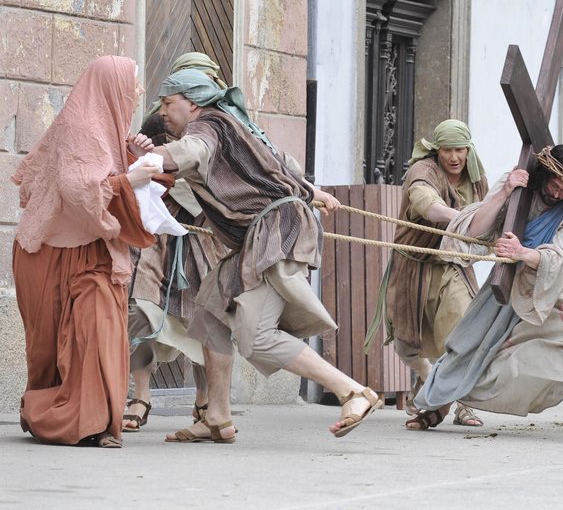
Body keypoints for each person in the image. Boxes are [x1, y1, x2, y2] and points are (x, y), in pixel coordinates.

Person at [127, 69, 382, 443]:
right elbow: (277, 164)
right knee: (210, 312)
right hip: (263, 233)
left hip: (274, 233)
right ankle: (217, 415)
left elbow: (193, 151)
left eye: (169, 103)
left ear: (192, 103)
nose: (163, 111)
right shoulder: (235, 122)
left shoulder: (208, 125)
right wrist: (313, 193)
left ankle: (353, 392)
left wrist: (150, 159)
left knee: (257, 336)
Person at [408, 144, 563, 439]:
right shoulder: (518, 186)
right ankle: (435, 405)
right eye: (554, 185)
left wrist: (523, 253)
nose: (557, 194)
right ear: (544, 174)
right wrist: (505, 192)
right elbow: (474, 230)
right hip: (510, 280)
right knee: (469, 343)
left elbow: (561, 255)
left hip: (562, 283)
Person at [12, 55, 158, 447]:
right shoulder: (81, 126)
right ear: (111, 86)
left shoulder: (105, 126)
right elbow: (78, 189)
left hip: (91, 251)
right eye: (132, 83)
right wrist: (129, 178)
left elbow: (101, 176)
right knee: (51, 349)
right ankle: (57, 414)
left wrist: (132, 152)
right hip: (51, 253)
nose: (138, 91)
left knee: (99, 331)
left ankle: (93, 421)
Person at [123, 53, 230, 432]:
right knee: (141, 308)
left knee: (201, 315)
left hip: (204, 233)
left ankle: (204, 400)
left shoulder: (222, 122)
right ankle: (141, 395)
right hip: (158, 230)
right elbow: (142, 169)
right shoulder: (158, 121)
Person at [371, 119, 488, 426]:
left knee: (461, 331)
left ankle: (464, 405)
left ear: (468, 150)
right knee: (407, 342)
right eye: (448, 150)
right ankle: (427, 378)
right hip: (415, 264)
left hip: (453, 263)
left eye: (460, 150)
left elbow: (490, 211)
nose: (454, 157)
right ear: (437, 150)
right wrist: (466, 219)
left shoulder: (476, 177)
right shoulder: (422, 172)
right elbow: (430, 207)